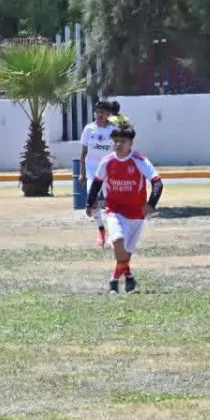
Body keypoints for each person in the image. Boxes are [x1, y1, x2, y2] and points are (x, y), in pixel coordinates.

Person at [85, 120, 163, 293]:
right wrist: (89, 204)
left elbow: (157, 183)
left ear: (131, 143)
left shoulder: (139, 160)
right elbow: (97, 183)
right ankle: (118, 281)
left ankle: (121, 278)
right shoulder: (107, 161)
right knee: (118, 241)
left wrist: (151, 204)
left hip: (137, 214)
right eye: (116, 141)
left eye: (123, 141)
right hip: (114, 210)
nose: (119, 144)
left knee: (125, 253)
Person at [79, 100, 119, 247]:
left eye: (102, 112)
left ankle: (114, 235)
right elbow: (83, 153)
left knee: (111, 203)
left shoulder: (113, 130)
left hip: (109, 171)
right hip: (92, 171)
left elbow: (118, 152)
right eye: (97, 112)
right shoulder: (88, 129)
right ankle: (101, 230)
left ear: (108, 114)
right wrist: (82, 173)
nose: (99, 114)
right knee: (93, 200)